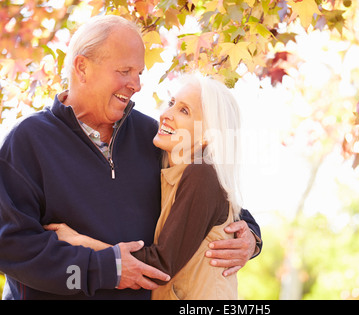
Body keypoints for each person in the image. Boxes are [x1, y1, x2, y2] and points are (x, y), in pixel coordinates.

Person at [0, 15, 261, 300]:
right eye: (124, 71)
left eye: (139, 73)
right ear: (82, 67)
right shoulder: (28, 141)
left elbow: (211, 193)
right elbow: (11, 247)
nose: (136, 85)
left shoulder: (153, 136)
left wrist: (250, 235)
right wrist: (101, 268)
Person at [46, 74, 247, 299]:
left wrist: (80, 242)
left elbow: (159, 267)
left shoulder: (202, 174)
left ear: (208, 136)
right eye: (171, 104)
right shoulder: (172, 171)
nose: (166, 115)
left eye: (184, 111)